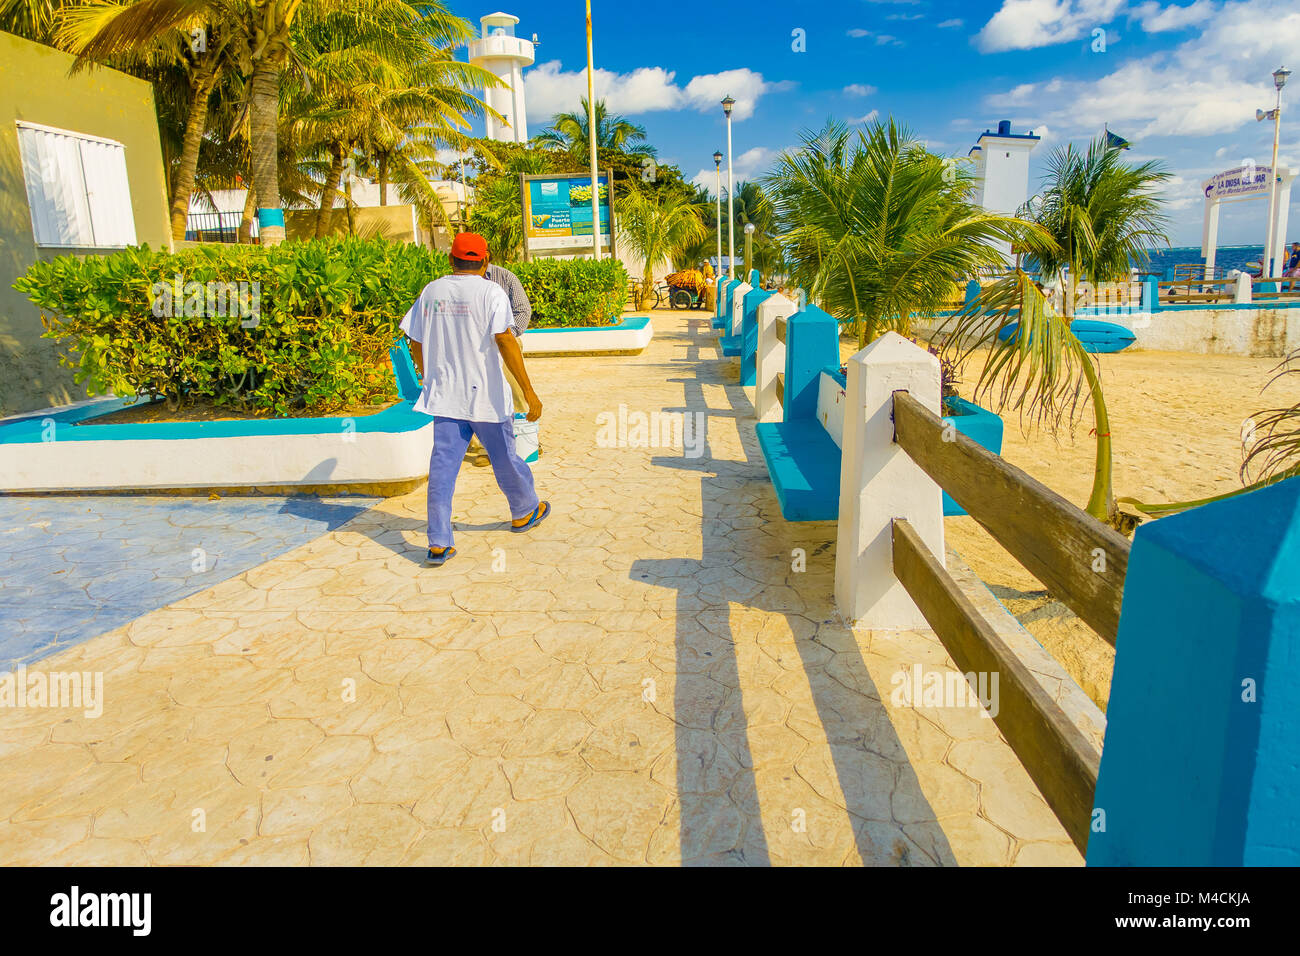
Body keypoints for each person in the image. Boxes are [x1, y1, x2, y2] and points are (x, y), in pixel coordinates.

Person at [402, 232, 549, 566]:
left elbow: (415, 338)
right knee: (505, 458)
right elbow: (505, 340)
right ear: (485, 260)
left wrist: (428, 376)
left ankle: (439, 541)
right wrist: (529, 392)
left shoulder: (432, 291)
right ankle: (524, 510)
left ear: (450, 260)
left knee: (443, 468)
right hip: (486, 397)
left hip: (446, 397)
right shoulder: (490, 292)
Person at [465, 252, 533, 466]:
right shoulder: (459, 282)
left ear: (486, 259)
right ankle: (486, 447)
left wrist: (506, 335)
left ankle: (524, 436)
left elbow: (522, 310)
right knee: (477, 393)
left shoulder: (506, 278)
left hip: (504, 341)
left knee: (513, 386)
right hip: (471, 346)